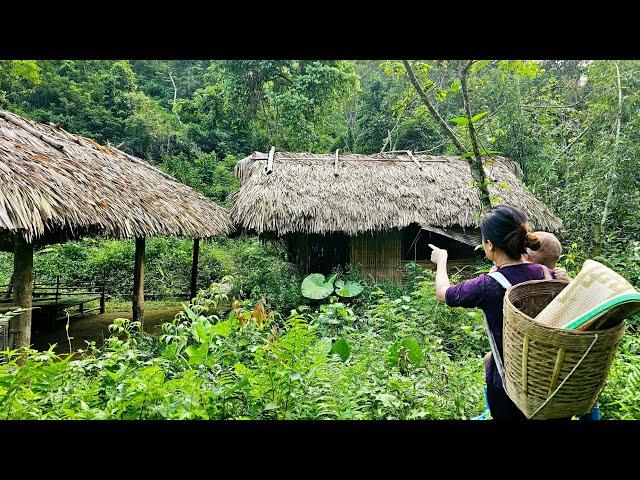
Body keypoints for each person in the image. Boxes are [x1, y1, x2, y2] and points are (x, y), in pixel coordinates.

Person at [429, 205, 570, 420]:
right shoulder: (547, 273)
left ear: (490, 245)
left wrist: (441, 260)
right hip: (551, 382)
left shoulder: (487, 285)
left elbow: (444, 293)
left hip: (510, 389)